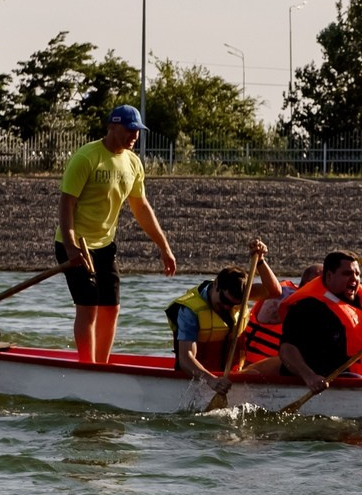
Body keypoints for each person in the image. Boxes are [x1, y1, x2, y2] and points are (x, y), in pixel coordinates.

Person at [57, 104, 178, 363]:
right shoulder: (87, 157)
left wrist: (164, 247)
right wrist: (70, 246)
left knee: (111, 308)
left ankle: (102, 367)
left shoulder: (133, 163)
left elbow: (141, 207)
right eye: (129, 129)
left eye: (138, 131)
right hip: (76, 244)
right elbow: (67, 203)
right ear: (112, 127)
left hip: (104, 246)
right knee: (88, 307)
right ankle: (87, 367)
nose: (134, 136)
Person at [277, 251, 362, 393]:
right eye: (347, 273)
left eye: (357, 274)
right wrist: (309, 376)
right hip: (324, 379)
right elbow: (287, 349)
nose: (354, 279)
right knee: (355, 379)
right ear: (329, 276)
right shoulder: (307, 307)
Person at [166, 266, 250, 382]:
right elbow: (186, 358)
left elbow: (273, 291)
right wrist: (212, 380)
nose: (227, 307)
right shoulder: (190, 311)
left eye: (232, 304)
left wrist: (260, 261)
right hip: (197, 380)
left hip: (231, 378)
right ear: (216, 284)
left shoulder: (240, 294)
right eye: (224, 300)